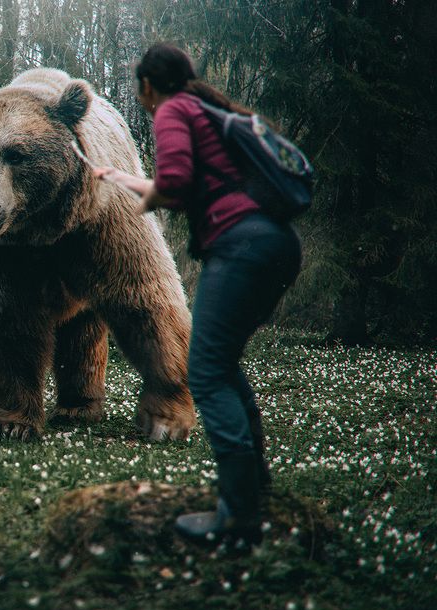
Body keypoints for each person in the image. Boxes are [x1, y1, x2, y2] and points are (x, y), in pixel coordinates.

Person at [95, 43, 301, 548]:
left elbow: (175, 183)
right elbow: (188, 184)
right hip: (275, 245)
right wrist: (119, 178)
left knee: (205, 372)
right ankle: (255, 491)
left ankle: (238, 515)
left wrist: (148, 193)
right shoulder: (206, 111)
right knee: (223, 364)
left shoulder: (172, 111)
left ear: (148, 85)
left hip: (240, 249)